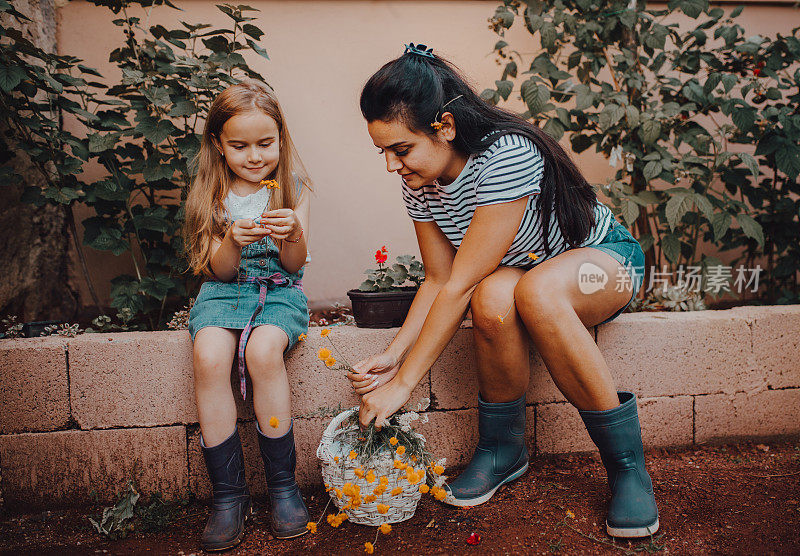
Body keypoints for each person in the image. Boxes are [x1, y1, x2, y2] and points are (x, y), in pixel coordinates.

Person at [348, 43, 657, 538]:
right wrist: (393, 353)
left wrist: (403, 385)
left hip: (607, 261)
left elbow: (460, 280)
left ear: (444, 127)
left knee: (533, 292)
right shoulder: (420, 181)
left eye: (400, 149)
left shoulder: (506, 155)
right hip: (532, 271)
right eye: (382, 151)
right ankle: (503, 450)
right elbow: (441, 279)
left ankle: (627, 467)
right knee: (491, 299)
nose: (391, 165)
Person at [183, 79, 312, 550]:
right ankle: (228, 496)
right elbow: (216, 270)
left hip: (278, 293)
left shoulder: (293, 189)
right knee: (209, 355)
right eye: (239, 146)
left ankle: (282, 486)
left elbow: (295, 266)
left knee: (262, 352)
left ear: (281, 138)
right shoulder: (210, 193)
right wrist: (232, 241)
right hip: (223, 292)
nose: (254, 156)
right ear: (218, 144)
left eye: (265, 143)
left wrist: (292, 234)